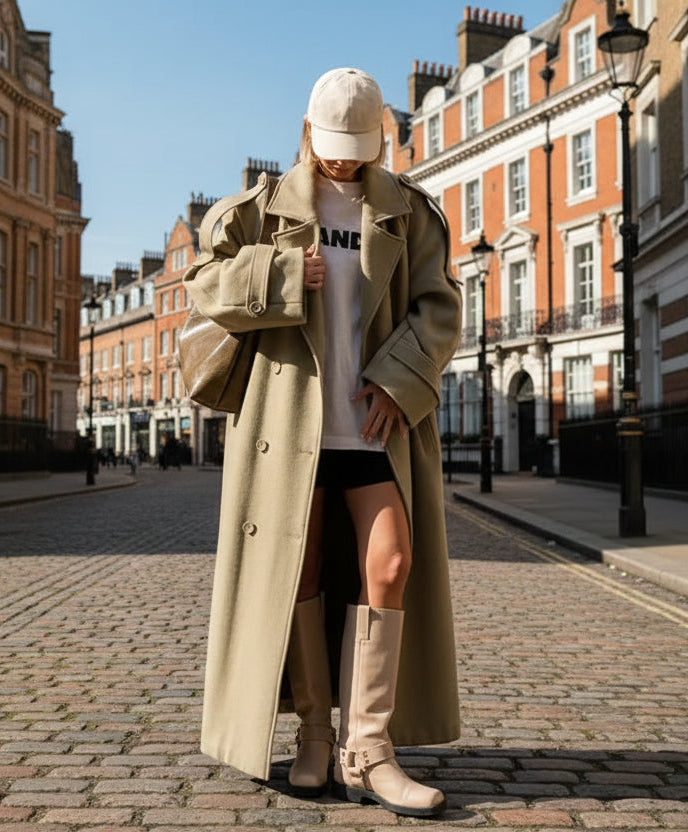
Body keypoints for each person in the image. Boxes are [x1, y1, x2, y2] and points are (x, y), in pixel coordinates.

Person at [183, 67, 462, 818]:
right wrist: (276, 272)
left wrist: (400, 381)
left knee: (393, 560)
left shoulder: (412, 213)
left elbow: (440, 309)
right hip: (287, 426)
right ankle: (313, 734)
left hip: (373, 423)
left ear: (379, 141)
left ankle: (366, 749)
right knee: (295, 567)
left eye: (358, 148)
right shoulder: (257, 211)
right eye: (334, 146)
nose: (343, 160)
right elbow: (203, 286)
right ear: (307, 132)